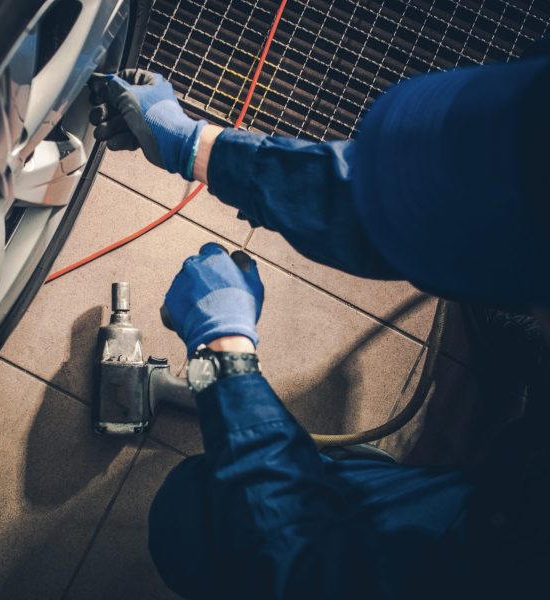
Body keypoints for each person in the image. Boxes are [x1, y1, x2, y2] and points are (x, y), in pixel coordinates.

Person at [88, 41, 549, 599]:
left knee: (192, 520)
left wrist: (222, 355)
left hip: (472, 554)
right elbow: (409, 201)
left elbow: (306, 573)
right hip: (518, 478)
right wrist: (196, 146)